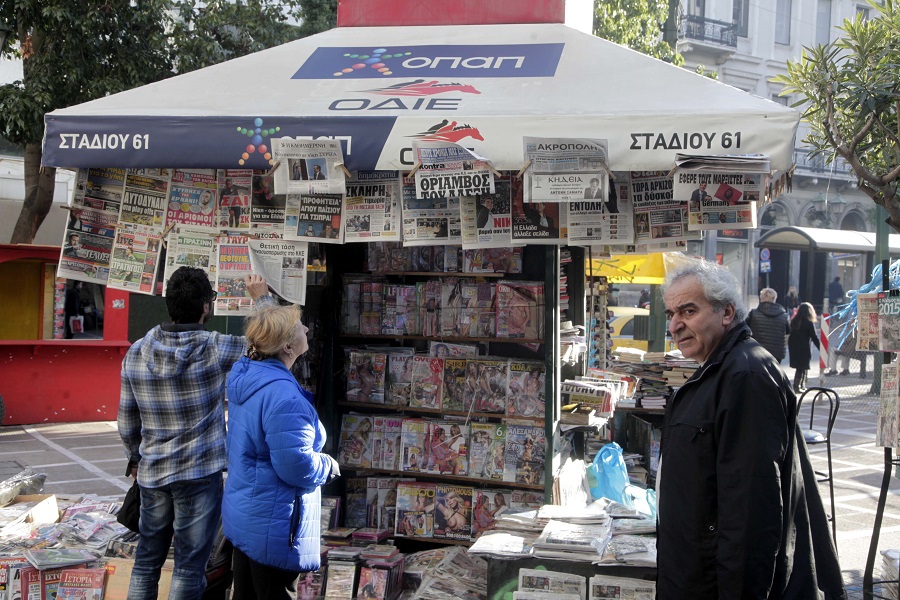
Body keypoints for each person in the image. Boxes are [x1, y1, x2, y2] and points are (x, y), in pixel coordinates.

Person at [659, 258, 844, 599]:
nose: (675, 325)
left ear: (726, 313)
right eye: (670, 314)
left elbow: (750, 514)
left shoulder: (745, 376)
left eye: (687, 311)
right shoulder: (723, 369)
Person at [118, 267, 273, 600]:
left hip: (153, 473)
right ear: (206, 306)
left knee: (146, 563)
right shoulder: (215, 347)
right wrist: (261, 299)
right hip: (199, 474)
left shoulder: (136, 351)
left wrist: (135, 457)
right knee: (189, 567)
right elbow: (270, 341)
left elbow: (126, 421)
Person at [222, 303, 340, 599]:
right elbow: (296, 466)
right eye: (301, 325)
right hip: (275, 524)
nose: (307, 329)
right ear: (288, 346)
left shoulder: (249, 374)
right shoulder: (284, 397)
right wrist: (328, 465)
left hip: (250, 516)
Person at [746, 287, 790, 363]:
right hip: (777, 354)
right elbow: (788, 331)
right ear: (774, 299)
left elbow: (745, 328)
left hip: (757, 351)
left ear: (761, 298)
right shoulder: (783, 315)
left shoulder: (753, 313)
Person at [789, 302, 821, 393]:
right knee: (802, 367)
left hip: (794, 347)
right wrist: (820, 348)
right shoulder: (808, 323)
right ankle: (797, 386)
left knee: (799, 367)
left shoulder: (794, 321)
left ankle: (800, 385)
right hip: (804, 348)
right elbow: (814, 337)